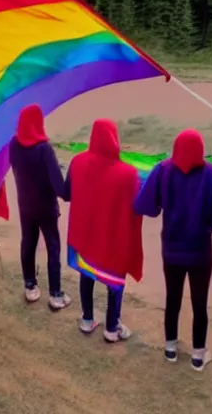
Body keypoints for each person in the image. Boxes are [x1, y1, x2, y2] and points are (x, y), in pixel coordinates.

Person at [134, 129, 212, 371]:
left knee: (172, 298)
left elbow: (145, 205)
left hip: (172, 249)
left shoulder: (162, 170)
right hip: (200, 251)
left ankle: (170, 348)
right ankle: (198, 355)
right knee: (200, 303)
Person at [64, 119, 143, 343]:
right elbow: (137, 207)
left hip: (85, 236)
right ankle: (111, 328)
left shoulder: (77, 162)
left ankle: (87, 320)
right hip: (111, 240)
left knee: (87, 275)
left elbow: (67, 194)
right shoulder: (128, 174)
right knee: (114, 282)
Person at [9, 104, 71, 310]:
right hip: (46, 207)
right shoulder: (44, 149)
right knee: (53, 247)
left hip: (25, 206)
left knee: (28, 242)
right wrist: (69, 186)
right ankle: (55, 294)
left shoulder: (14, 144)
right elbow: (60, 187)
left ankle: (30, 285)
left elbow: (16, 168)